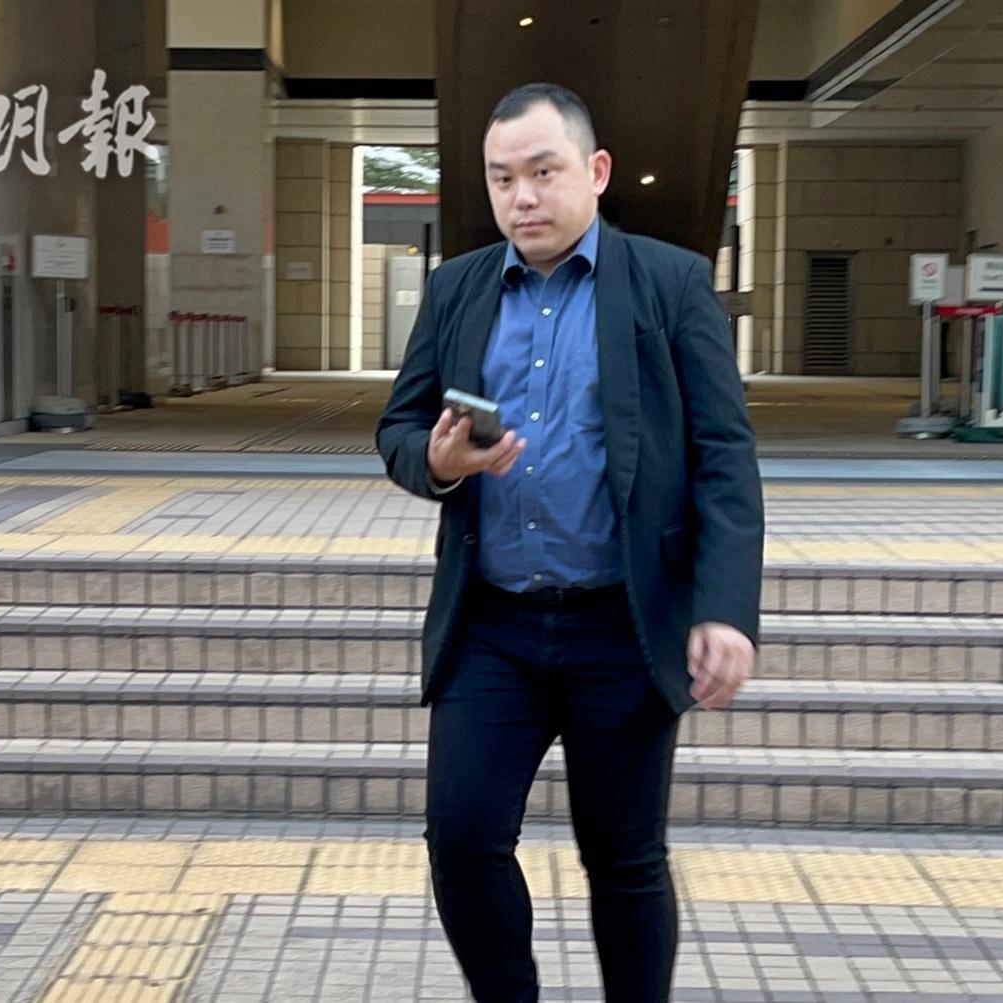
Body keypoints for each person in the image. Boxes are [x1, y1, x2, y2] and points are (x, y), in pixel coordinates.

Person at [376, 82, 763, 1003]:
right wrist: (436, 463)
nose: (522, 197)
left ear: (595, 172)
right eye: (501, 178)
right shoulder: (458, 288)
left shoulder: (669, 283)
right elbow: (399, 429)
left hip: (620, 625)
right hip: (493, 625)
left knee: (624, 858)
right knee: (463, 840)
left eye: (543, 172)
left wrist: (723, 608)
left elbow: (723, 454)